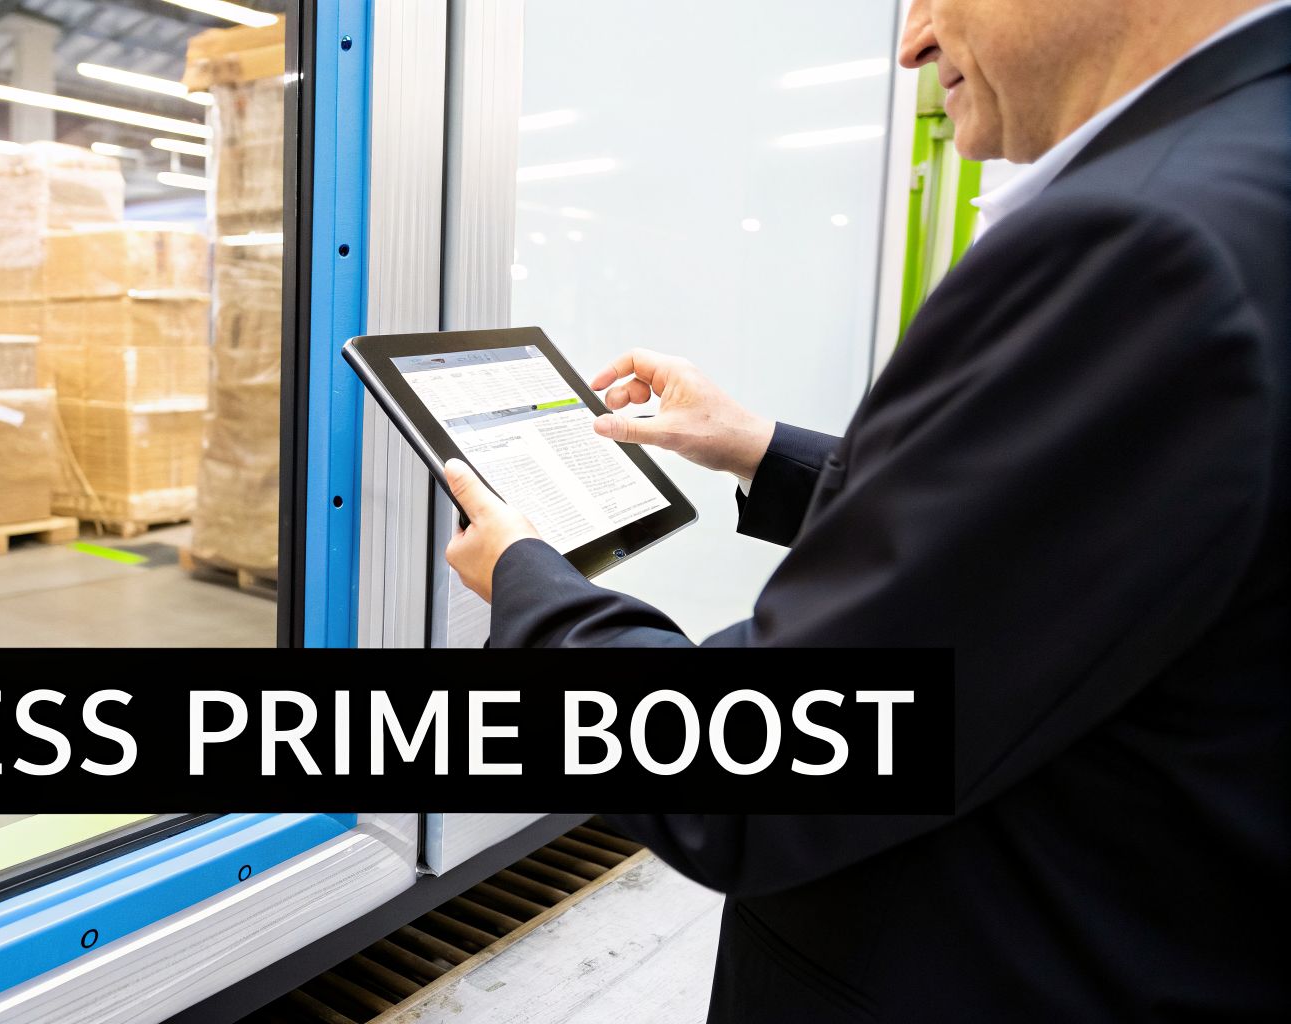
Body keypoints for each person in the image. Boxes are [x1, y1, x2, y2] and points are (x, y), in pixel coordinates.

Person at [443, 0, 1290, 1019]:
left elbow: (752, 769)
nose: (910, 39)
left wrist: (527, 586)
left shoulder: (1146, 239)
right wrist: (762, 450)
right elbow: (1052, 549)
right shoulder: (1254, 173)